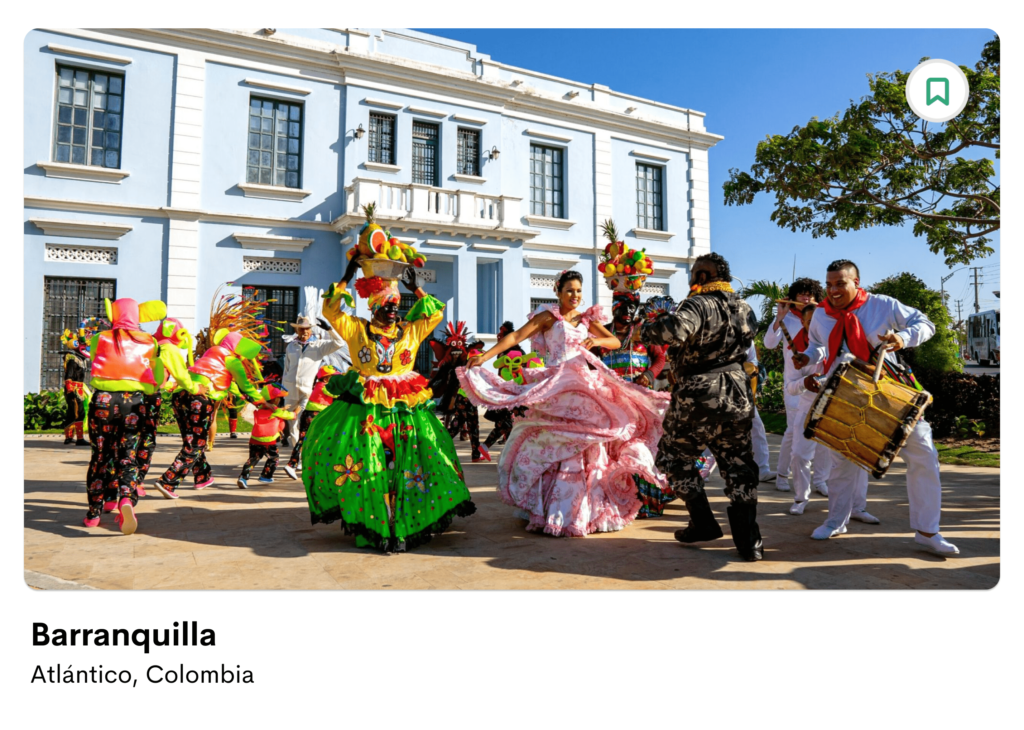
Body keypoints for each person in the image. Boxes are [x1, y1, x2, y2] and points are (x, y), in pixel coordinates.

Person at [460, 269, 670, 537]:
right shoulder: (548, 317)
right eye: (569, 290)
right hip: (556, 384)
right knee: (555, 439)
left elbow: (615, 340)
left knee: (588, 444)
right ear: (558, 292)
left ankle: (582, 509)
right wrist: (485, 356)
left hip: (582, 385)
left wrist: (597, 339)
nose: (575, 296)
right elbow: (515, 337)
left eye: (579, 291)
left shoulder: (586, 318)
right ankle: (550, 507)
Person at [301, 256, 475, 553]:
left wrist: (416, 288)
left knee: (410, 463)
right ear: (375, 307)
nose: (395, 310)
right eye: (388, 305)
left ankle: (404, 521)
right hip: (364, 410)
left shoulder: (410, 331)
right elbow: (331, 309)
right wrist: (348, 273)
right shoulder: (357, 329)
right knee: (368, 463)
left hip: (404, 410)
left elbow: (434, 315)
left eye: (397, 305)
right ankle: (375, 519)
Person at [794, 259, 958, 555]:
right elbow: (820, 345)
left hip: (889, 390)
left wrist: (902, 337)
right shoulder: (820, 315)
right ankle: (836, 521)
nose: (833, 290)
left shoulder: (882, 305)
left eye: (840, 283)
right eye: (829, 285)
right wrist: (808, 357)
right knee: (841, 460)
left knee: (923, 453)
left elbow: (925, 323)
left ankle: (927, 531)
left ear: (856, 282)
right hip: (843, 394)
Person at [640, 253, 764, 561]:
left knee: (673, 457)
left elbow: (674, 331)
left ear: (705, 276)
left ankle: (703, 522)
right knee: (739, 466)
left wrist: (647, 326)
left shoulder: (697, 303)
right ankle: (750, 544)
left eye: (694, 274)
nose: (691, 280)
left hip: (699, 393)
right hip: (737, 391)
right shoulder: (745, 308)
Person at [82, 297, 167, 535]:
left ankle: (94, 513)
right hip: (135, 402)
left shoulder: (102, 337)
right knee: (128, 455)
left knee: (100, 455)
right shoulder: (150, 341)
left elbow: (94, 356)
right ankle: (126, 500)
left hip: (104, 401)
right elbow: (156, 375)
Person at [153, 328, 266, 499]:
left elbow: (233, 387)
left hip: (179, 396)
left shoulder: (210, 354)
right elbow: (246, 387)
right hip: (199, 399)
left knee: (190, 440)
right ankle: (168, 481)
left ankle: (202, 477)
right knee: (196, 444)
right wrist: (263, 402)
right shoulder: (231, 361)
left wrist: (253, 400)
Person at [597, 290, 672, 518]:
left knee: (642, 449)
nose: (630, 312)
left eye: (634, 308)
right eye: (625, 307)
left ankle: (649, 499)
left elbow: (660, 358)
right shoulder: (603, 334)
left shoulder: (642, 332)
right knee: (614, 451)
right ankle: (620, 497)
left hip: (640, 400)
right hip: (611, 403)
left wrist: (649, 375)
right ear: (614, 308)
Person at [762, 277, 832, 495]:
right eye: (801, 293)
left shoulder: (823, 317)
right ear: (793, 297)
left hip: (821, 381)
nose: (806, 297)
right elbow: (769, 344)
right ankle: (782, 475)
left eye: (810, 294)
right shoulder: (788, 321)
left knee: (822, 434)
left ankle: (820, 480)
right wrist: (779, 317)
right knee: (793, 433)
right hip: (794, 383)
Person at [781, 304, 836, 515]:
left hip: (833, 405)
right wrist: (806, 381)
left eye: (819, 321)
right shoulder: (794, 350)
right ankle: (800, 498)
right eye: (809, 321)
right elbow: (790, 387)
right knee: (800, 455)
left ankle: (822, 483)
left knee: (827, 451)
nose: (815, 325)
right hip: (807, 404)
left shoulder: (837, 342)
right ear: (803, 323)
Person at [428, 322, 490, 462]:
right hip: (466, 400)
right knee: (467, 426)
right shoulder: (470, 369)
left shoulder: (467, 368)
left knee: (463, 425)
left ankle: (471, 452)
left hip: (465, 399)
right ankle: (438, 444)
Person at [281, 314, 345, 450]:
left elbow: (340, 343)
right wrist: (283, 388)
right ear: (297, 330)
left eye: (306, 329)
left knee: (303, 421)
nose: (304, 332)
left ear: (311, 330)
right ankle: (296, 454)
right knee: (292, 422)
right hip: (290, 389)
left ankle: (303, 451)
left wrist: (329, 329)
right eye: (301, 329)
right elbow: (286, 369)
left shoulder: (319, 346)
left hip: (307, 390)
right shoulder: (291, 346)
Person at [282, 365, 337, 480]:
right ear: (326, 378)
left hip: (308, 414)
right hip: (316, 415)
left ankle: (292, 464)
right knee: (321, 440)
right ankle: (299, 464)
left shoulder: (318, 385)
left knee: (303, 440)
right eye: (333, 377)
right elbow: (336, 395)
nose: (335, 379)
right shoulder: (325, 387)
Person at [237, 384, 295, 488]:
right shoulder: (277, 411)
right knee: (274, 459)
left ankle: (243, 478)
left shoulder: (260, 408)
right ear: (274, 400)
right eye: (278, 398)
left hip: (254, 440)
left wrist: (281, 408)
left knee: (252, 460)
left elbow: (272, 409)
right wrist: (295, 413)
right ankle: (266, 476)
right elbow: (288, 415)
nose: (279, 400)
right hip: (269, 441)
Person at [59, 326, 92, 446]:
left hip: (77, 388)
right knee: (79, 412)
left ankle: (69, 437)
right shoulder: (73, 359)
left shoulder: (78, 359)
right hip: (74, 389)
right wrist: (70, 390)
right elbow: (69, 375)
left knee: (73, 412)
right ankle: (79, 438)